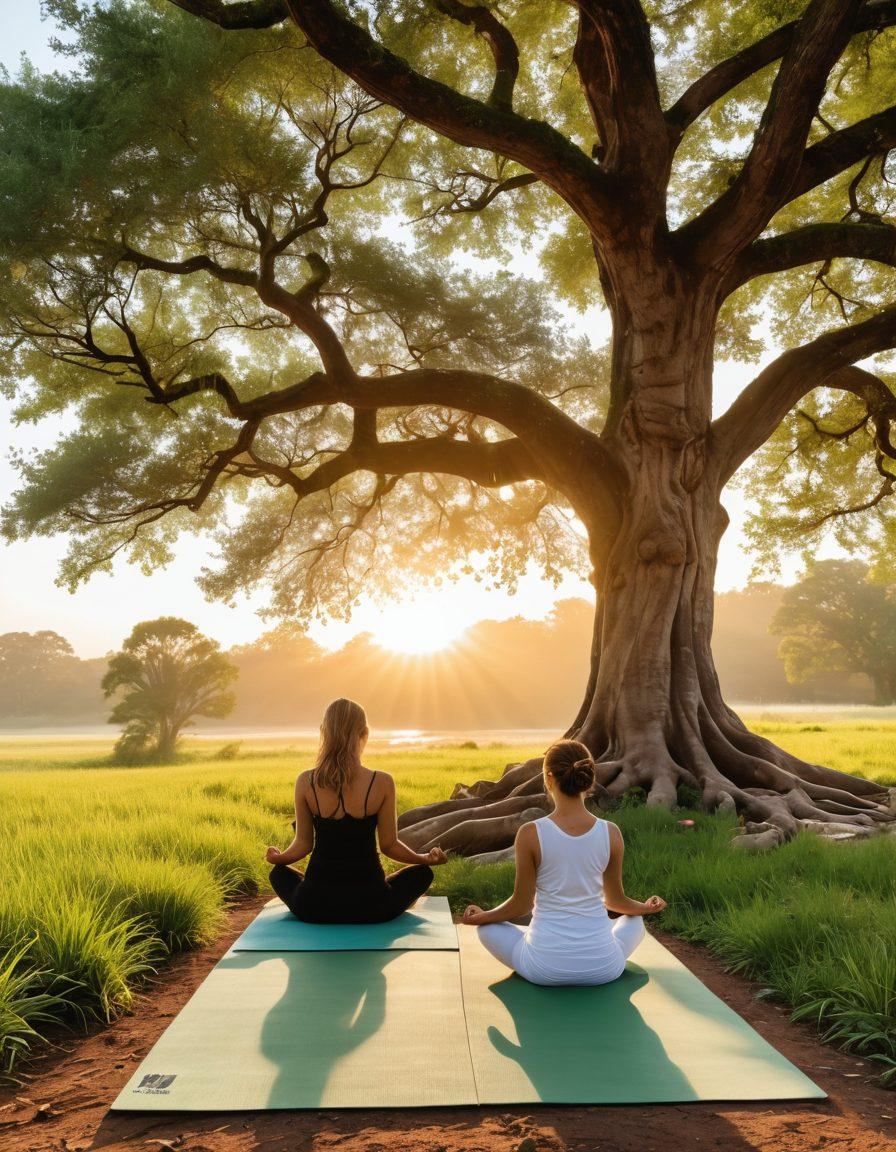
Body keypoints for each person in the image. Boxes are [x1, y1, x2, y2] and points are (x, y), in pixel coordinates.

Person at [461, 738, 667, 985]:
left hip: (543, 968)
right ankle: (589, 943)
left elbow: (521, 905)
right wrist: (646, 907)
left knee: (487, 929)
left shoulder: (530, 832)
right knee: (634, 919)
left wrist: (482, 917)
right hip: (604, 967)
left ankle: (538, 940)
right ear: (588, 779)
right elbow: (615, 901)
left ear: (548, 778)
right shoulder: (611, 832)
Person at [265, 698, 446, 923]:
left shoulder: (306, 781)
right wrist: (424, 858)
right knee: (422, 873)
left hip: (314, 906)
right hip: (373, 905)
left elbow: (303, 845)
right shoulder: (382, 782)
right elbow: (389, 846)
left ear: (324, 733)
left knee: (279, 874)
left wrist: (278, 858)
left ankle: (321, 892)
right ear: (365, 734)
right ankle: (382, 889)